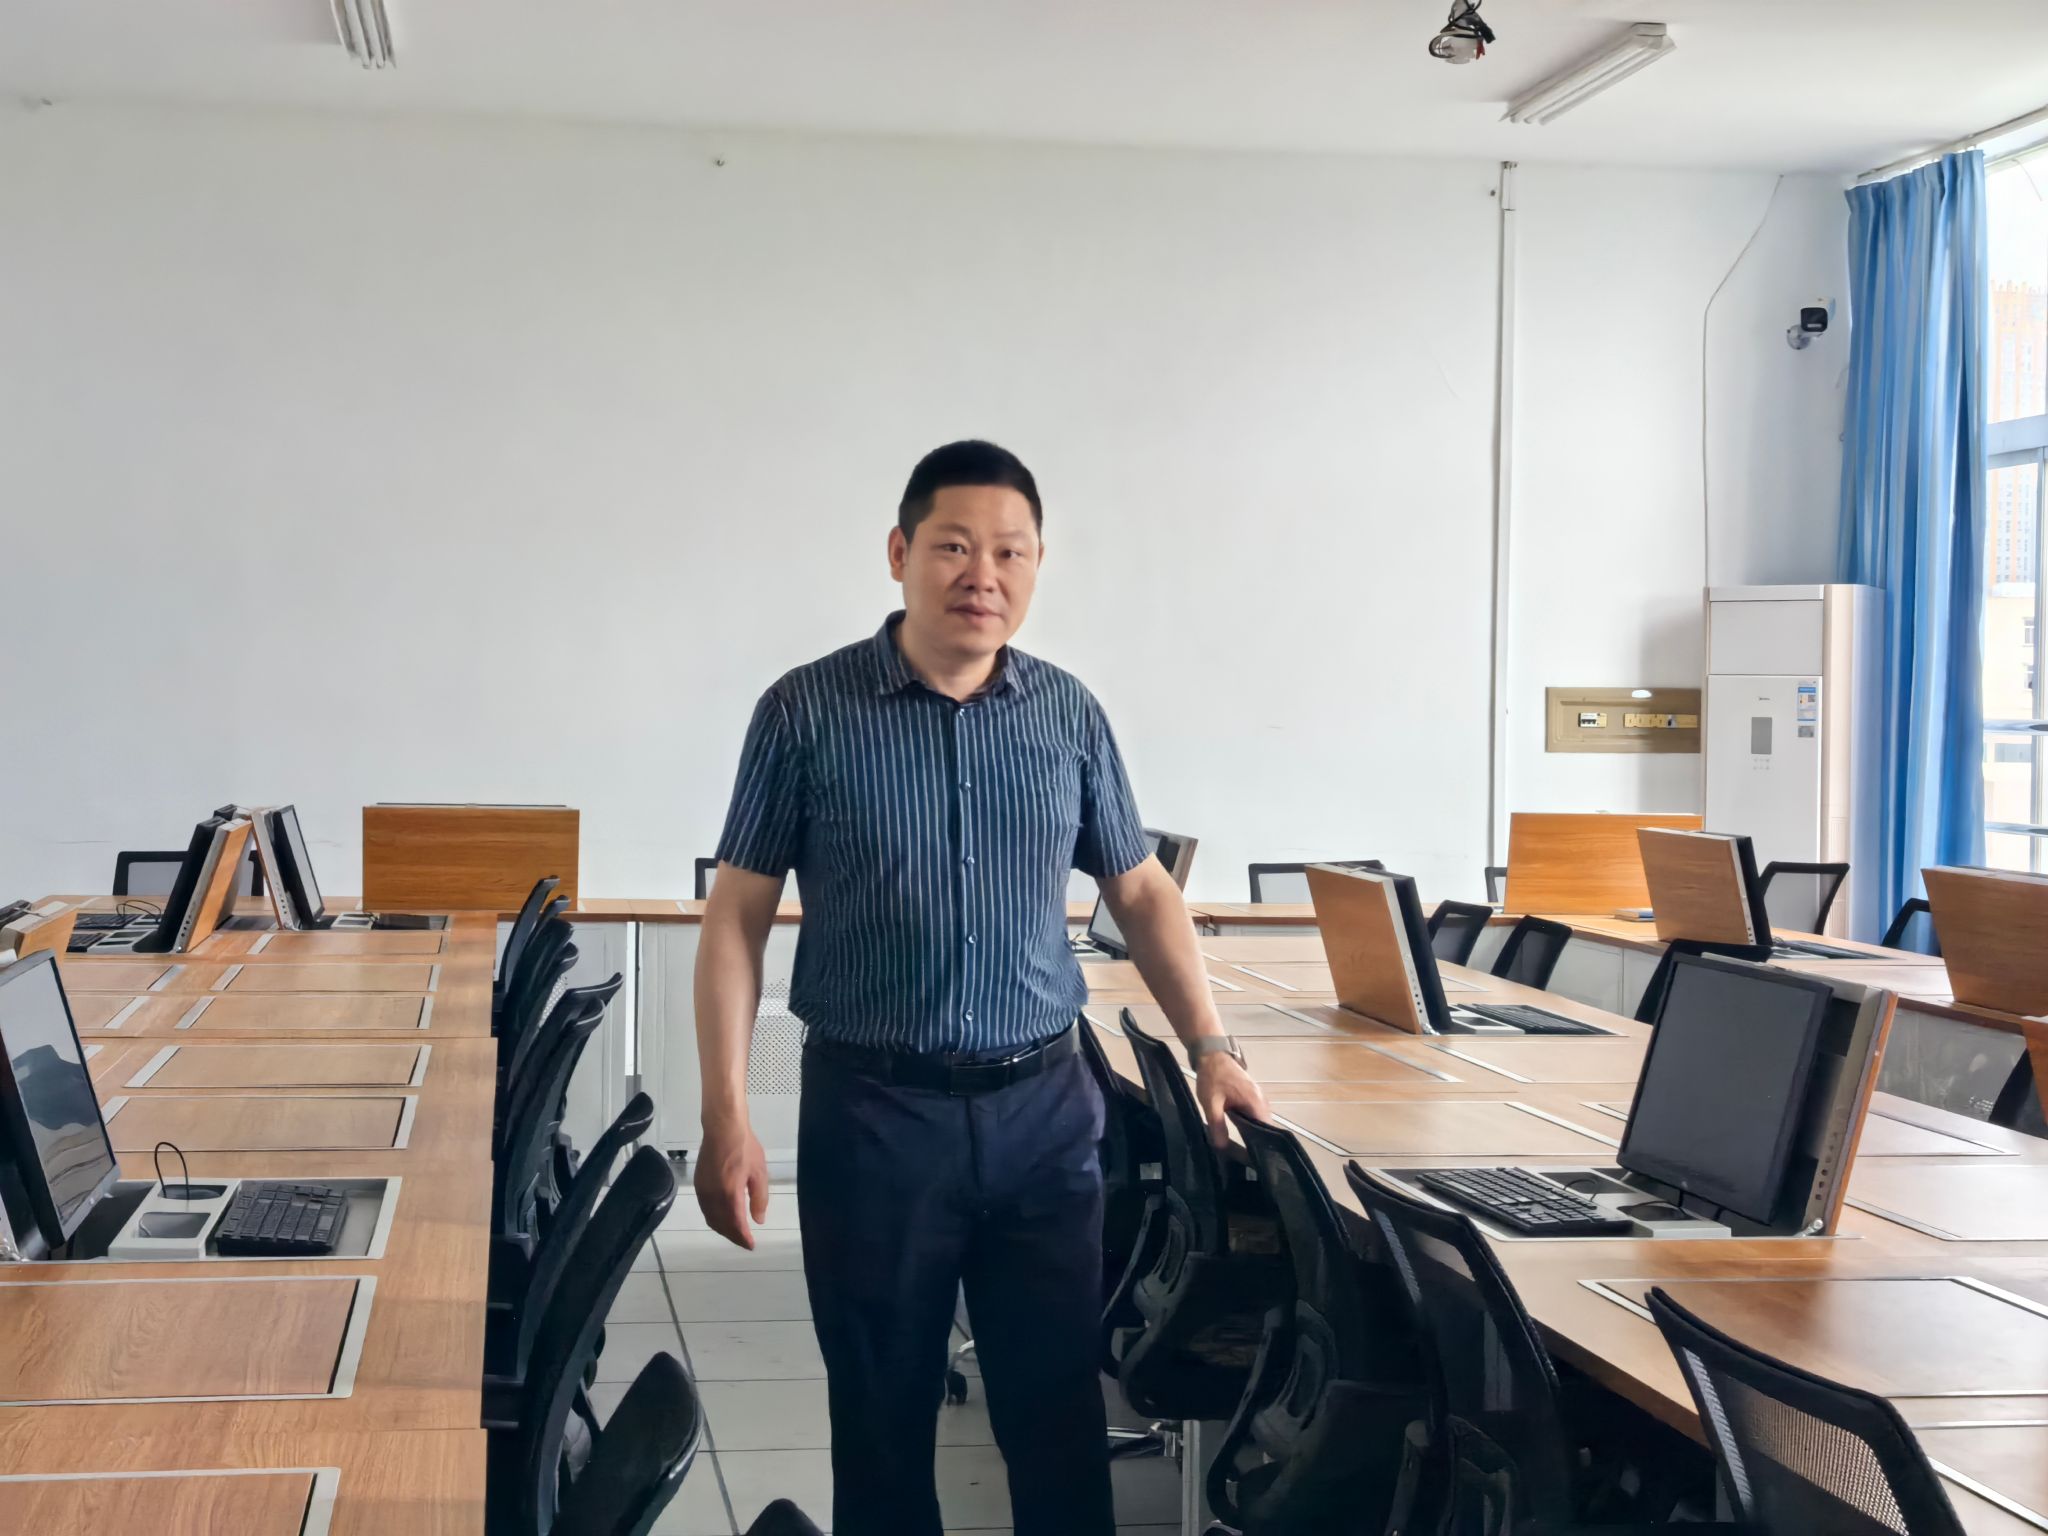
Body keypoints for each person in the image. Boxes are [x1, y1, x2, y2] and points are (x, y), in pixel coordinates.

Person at [693, 439, 1271, 1536]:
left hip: (1044, 1117)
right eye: (954, 547)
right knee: (881, 1427)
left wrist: (1211, 1048)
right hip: (875, 1117)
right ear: (899, 553)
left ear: (1038, 564)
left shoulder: (1067, 714)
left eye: (1010, 552)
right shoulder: (804, 712)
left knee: (1059, 1427)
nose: (982, 575)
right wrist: (727, 1113)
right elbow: (737, 917)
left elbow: (1140, 890)